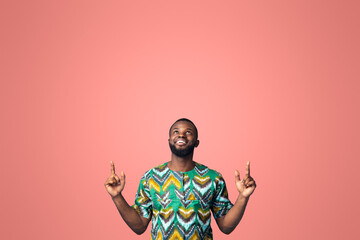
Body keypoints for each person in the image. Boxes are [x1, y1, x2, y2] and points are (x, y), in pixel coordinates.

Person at [104, 118, 256, 239]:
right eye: (176, 132)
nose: (181, 135)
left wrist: (243, 197)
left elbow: (226, 226)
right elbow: (139, 226)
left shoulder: (213, 178)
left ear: (196, 142)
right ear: (169, 140)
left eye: (188, 132)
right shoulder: (150, 177)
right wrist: (117, 196)